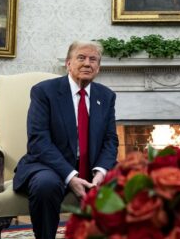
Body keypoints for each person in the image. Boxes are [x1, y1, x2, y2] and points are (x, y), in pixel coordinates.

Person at [13, 41, 118, 239]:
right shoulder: (44, 92)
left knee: (126, 180)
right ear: (68, 64)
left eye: (93, 59)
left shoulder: (106, 96)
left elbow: (110, 141)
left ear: (98, 68)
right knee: (45, 185)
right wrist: (70, 176)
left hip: (92, 165)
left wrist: (101, 173)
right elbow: (38, 141)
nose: (87, 63)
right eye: (81, 58)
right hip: (49, 165)